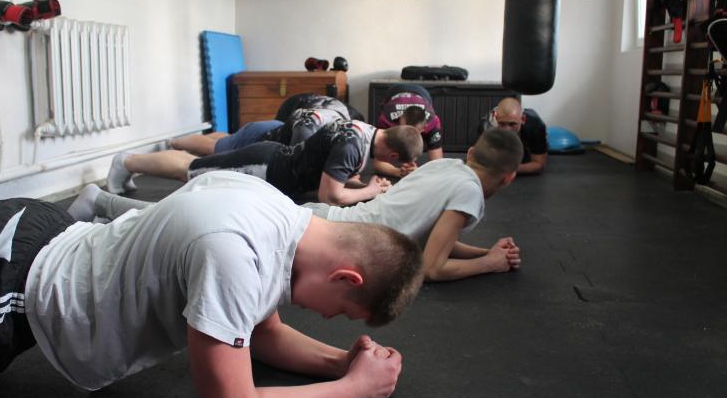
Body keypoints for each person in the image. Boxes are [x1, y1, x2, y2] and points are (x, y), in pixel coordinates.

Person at [0, 171, 424, 398]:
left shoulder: (275, 213)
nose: (327, 318)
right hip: (3, 282)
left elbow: (263, 332)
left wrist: (342, 363)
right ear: (345, 277)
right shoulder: (234, 255)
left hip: (43, 233)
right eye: (342, 311)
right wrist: (353, 389)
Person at [72, 129, 523, 283]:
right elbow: (433, 266)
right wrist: (490, 264)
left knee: (200, 219)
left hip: (324, 221)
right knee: (195, 224)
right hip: (326, 233)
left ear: (473, 153)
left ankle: (103, 203)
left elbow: (432, 237)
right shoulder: (468, 191)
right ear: (508, 178)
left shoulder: (446, 168)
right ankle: (103, 204)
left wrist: (485, 252)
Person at [106, 121, 424, 206]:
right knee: (188, 170)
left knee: (194, 167)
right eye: (397, 165)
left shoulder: (363, 130)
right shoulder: (353, 147)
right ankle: (128, 161)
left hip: (273, 163)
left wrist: (365, 185)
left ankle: (131, 164)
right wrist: (369, 190)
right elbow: (330, 195)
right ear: (393, 155)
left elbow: (332, 178)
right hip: (263, 167)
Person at [168, 94, 361, 157]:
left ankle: (188, 141)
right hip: (268, 129)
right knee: (214, 148)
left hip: (273, 125)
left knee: (231, 140)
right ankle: (175, 143)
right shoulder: (332, 120)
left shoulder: (338, 112)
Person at [375, 83, 444, 178]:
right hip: (394, 91)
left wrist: (419, 172)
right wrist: (398, 172)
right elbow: (377, 163)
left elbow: (437, 164)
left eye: (413, 133)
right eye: (405, 131)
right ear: (399, 121)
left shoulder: (433, 122)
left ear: (424, 129)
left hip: (423, 93)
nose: (408, 136)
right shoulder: (386, 119)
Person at [484, 97, 548, 175]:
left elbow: (539, 164)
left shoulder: (536, 125)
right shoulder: (487, 127)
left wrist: (507, 169)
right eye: (502, 123)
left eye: (512, 124)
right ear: (496, 118)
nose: (507, 130)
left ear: (523, 119)